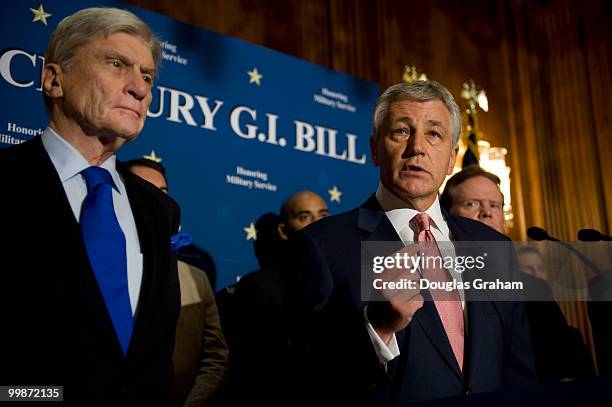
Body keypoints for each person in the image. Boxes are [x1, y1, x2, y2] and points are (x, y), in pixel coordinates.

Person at [285, 81, 536, 405]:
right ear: (375, 148)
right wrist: (375, 328)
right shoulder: (321, 245)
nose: (417, 147)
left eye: (434, 134)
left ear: (451, 158)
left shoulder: (493, 245)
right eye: (401, 131)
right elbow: (301, 375)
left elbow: (519, 365)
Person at [0, 8, 180, 405]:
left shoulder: (159, 209)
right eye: (117, 64)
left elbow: (154, 355)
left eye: (148, 77)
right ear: (54, 80)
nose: (140, 89)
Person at [441, 166, 594, 382]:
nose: (487, 212)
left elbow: (565, 361)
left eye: (495, 205)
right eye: (471, 204)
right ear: (446, 216)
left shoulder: (533, 288)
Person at [126, 158, 229, 406]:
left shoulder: (196, 279)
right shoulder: (90, 263)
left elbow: (215, 357)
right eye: (143, 188)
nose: (157, 201)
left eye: (163, 193)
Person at [218, 191, 329, 404]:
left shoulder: (348, 277)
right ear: (283, 230)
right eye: (305, 217)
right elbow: (257, 370)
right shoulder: (258, 287)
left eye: (323, 215)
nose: (317, 224)